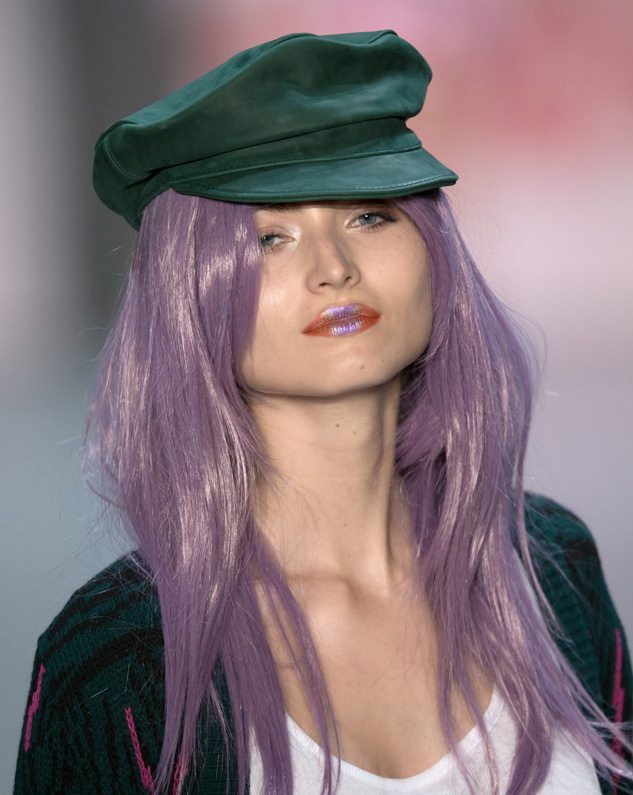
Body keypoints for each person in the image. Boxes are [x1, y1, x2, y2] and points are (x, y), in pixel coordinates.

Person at [13, 30, 633, 795]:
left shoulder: (549, 571)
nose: (333, 268)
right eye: (269, 237)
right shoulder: (120, 660)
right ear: (187, 293)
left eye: (368, 215)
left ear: (434, 248)